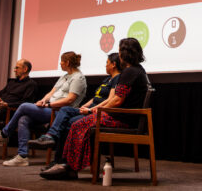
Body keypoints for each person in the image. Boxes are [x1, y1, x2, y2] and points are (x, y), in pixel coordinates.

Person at [40, 38, 148, 180]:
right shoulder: (137, 70)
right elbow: (116, 99)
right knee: (75, 122)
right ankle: (65, 165)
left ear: (123, 54)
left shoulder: (131, 72)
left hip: (122, 119)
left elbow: (116, 100)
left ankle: (69, 168)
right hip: (122, 116)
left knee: (77, 124)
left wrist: (96, 111)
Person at [0, 51, 87, 167]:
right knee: (24, 119)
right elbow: (51, 93)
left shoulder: (78, 78)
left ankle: (4, 134)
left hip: (60, 112)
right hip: (50, 109)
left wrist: (48, 105)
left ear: (67, 62)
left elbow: (70, 100)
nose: (60, 63)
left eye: (61, 61)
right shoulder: (65, 76)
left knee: (24, 106)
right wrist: (43, 100)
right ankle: (22, 156)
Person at [28, 53, 122, 167]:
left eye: (107, 63)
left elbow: (110, 99)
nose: (105, 65)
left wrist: (90, 110)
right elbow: (95, 98)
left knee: (68, 122)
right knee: (65, 111)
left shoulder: (117, 79)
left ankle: (61, 160)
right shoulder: (107, 79)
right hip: (90, 108)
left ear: (113, 64)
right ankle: (54, 149)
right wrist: (84, 107)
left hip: (97, 112)